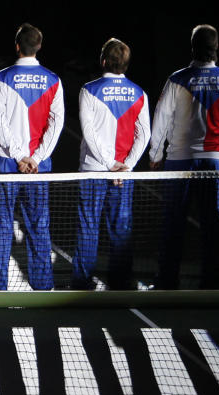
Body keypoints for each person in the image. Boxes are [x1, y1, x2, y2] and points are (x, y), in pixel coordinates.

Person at [148, 24, 219, 289]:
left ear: (193, 47)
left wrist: (155, 154)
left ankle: (167, 280)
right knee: (214, 223)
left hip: (179, 161)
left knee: (173, 223)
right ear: (216, 48)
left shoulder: (177, 79)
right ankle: (213, 281)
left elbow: (161, 119)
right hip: (213, 162)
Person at [0, 23, 64, 290]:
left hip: (6, 160)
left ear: (17, 46)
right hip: (39, 165)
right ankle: (42, 287)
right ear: (39, 47)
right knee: (38, 224)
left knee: (2, 225)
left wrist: (19, 156)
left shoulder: (3, 77)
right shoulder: (53, 80)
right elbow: (56, 124)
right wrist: (36, 158)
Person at [71, 38, 150, 290]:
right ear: (126, 64)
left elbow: (89, 131)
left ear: (103, 60)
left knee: (88, 226)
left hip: (94, 171)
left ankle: (83, 282)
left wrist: (109, 164)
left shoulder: (89, 90)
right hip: (122, 176)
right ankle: (120, 282)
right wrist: (125, 166)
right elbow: (144, 134)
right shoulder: (139, 93)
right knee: (121, 229)